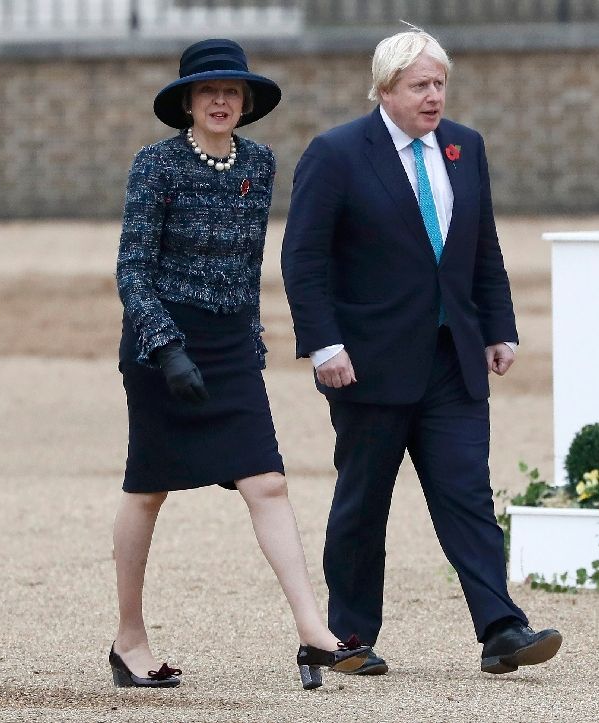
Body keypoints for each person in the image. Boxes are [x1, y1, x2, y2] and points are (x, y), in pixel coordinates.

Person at [281, 28, 562, 675]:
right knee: (363, 501)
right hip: (368, 362)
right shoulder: (338, 152)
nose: (433, 96)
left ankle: (501, 627)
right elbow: (304, 258)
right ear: (385, 89)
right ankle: (345, 636)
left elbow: (480, 244)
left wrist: (499, 326)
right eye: (419, 86)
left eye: (439, 84)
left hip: (451, 358)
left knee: (466, 493)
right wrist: (324, 344)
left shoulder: (466, 147)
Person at [111, 38, 368, 691]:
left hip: (228, 349)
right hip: (160, 344)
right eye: (208, 92)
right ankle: (129, 638)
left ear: (246, 101)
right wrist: (166, 348)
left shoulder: (259, 162)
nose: (221, 101)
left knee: (268, 483)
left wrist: (250, 346)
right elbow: (133, 271)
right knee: (148, 489)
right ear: (188, 103)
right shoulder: (155, 166)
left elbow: (249, 269)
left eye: (232, 91)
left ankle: (313, 631)